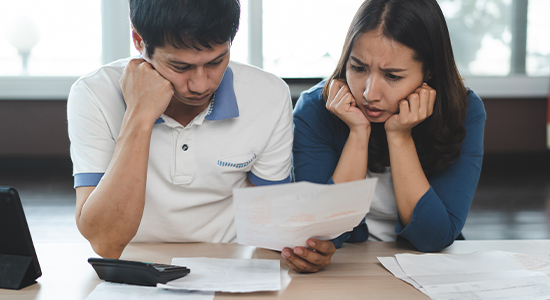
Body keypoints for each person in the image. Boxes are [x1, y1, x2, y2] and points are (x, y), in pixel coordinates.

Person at [67, 0, 308, 265]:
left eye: (216, 62)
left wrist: (305, 247)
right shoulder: (93, 94)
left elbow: (274, 223)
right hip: (133, 264)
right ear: (138, 40)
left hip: (230, 264)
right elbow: (106, 242)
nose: (200, 84)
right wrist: (139, 116)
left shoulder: (269, 94)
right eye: (180, 67)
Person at [289, 0, 486, 270]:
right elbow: (322, 233)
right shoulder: (316, 108)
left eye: (392, 76)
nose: (370, 93)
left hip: (427, 270)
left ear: (429, 71)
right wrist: (358, 133)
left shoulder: (462, 111)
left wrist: (400, 137)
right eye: (358, 68)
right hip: (346, 266)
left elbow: (434, 237)